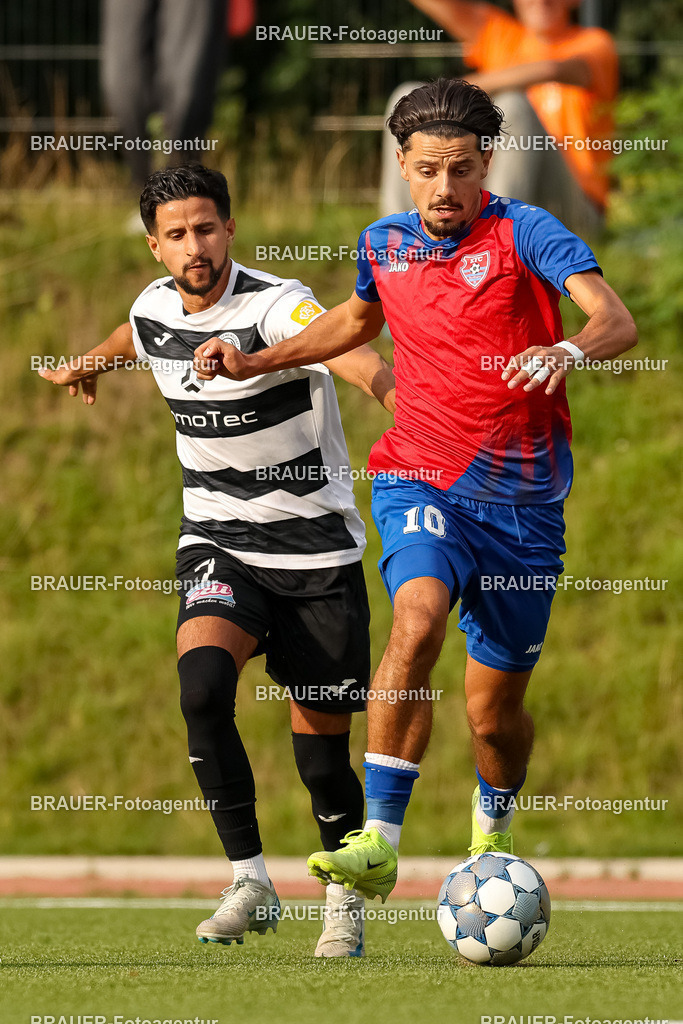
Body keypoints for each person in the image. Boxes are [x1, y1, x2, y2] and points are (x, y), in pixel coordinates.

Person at [192, 80, 637, 936]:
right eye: (427, 170)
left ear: (486, 167)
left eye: (461, 170)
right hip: (418, 475)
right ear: (402, 166)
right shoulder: (382, 242)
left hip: (522, 507)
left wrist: (564, 349)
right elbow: (356, 321)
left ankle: (489, 836)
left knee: (491, 715)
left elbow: (611, 321)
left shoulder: (525, 232)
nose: (443, 188)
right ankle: (379, 842)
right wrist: (259, 361)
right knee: (417, 614)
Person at [38, 164, 396, 958]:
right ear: (155, 246)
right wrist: (87, 364)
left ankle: (342, 897)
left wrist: (395, 398)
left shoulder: (276, 305)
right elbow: (137, 334)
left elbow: (344, 343)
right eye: (176, 235)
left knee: (320, 752)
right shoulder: (152, 304)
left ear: (230, 229)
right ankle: (250, 880)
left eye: (206, 228)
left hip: (316, 557)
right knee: (201, 689)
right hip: (219, 541)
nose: (193, 246)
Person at [382, 0, 618, 234]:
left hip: (575, 209)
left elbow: (551, 69)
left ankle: (497, 243)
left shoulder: (595, 44)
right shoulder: (499, 34)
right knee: (406, 97)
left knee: (513, 107)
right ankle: (401, 241)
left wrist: (459, 92)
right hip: (486, 190)